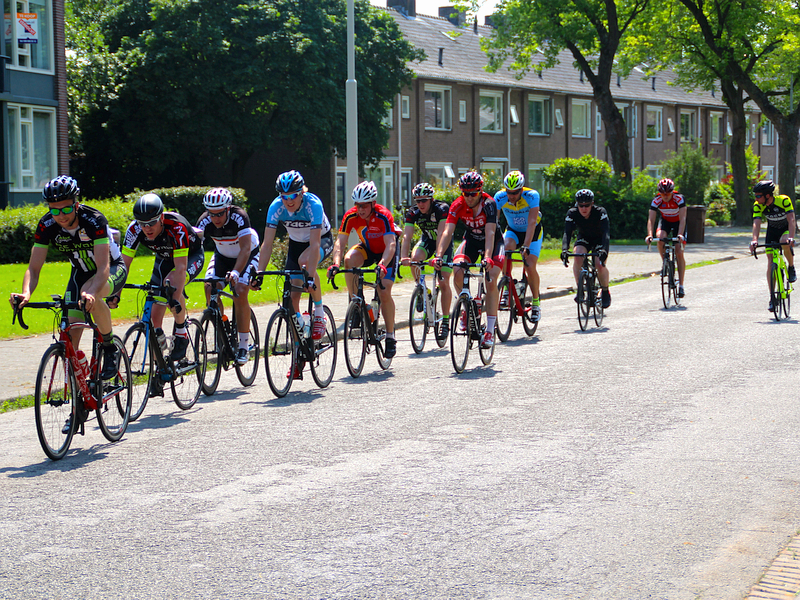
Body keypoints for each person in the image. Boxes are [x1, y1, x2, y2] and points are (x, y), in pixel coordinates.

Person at [9, 176, 127, 385]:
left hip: (110, 269)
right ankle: (79, 401)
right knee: (70, 338)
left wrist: (91, 292)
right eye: (54, 210)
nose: (60, 216)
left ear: (76, 204)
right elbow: (34, 268)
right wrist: (26, 293)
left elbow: (103, 267)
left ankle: (109, 348)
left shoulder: (93, 220)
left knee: (91, 294)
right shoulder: (46, 225)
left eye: (65, 209)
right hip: (79, 273)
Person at [257, 170, 334, 378]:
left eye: (292, 196)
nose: (288, 201)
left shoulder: (313, 205)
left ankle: (318, 313)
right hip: (296, 245)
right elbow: (267, 245)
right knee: (291, 300)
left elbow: (316, 242)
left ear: (302, 192)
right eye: (284, 196)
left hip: (321, 241)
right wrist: (259, 272)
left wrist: (310, 275)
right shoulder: (276, 207)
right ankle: (300, 348)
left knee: (305, 263)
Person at [116, 193, 204, 365]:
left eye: (151, 223)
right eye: (142, 224)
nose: (147, 228)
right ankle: (159, 369)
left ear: (161, 218)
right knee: (154, 320)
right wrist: (116, 293)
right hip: (164, 258)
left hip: (190, 257)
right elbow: (123, 266)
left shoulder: (176, 227)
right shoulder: (134, 230)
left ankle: (181, 334)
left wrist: (174, 298)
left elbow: (180, 268)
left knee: (171, 285)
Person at [327, 181, 400, 359]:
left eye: (364, 206)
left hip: (386, 252)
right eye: (358, 205)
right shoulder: (351, 216)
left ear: (373, 204)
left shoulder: (383, 215)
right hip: (367, 248)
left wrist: (382, 264)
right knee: (348, 260)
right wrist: (335, 263)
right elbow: (340, 242)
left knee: (383, 291)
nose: (360, 209)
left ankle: (390, 336)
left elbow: (390, 244)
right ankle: (356, 304)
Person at [432, 171, 503, 349]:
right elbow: (447, 232)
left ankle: (490, 330)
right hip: (471, 240)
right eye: (465, 193)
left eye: (473, 193)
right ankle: (467, 307)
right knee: (457, 270)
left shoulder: (489, 204)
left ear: (480, 191)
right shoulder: (457, 205)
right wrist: (439, 255)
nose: (469, 197)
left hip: (493, 242)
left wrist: (487, 257)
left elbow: (490, 233)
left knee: (491, 279)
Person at [196, 188, 260, 365]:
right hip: (222, 256)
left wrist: (236, 272)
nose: (215, 218)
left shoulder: (239, 216)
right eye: (211, 214)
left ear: (228, 209)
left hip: (247, 254)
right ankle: (222, 327)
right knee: (210, 287)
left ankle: (243, 346)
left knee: (239, 290)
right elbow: (193, 249)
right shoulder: (204, 221)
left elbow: (246, 249)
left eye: (219, 214)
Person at [400, 182, 454, 339]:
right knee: (415, 258)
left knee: (443, 282)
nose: (421, 204)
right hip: (428, 240)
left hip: (443, 243)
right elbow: (407, 236)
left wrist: (438, 256)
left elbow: (444, 233)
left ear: (431, 199)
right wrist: (404, 257)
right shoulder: (413, 212)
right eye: (418, 200)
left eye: (424, 200)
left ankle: (445, 321)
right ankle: (421, 290)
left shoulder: (442, 209)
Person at [494, 170, 543, 322]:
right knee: (505, 249)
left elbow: (532, 222)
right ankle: (508, 286)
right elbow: (494, 224)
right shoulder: (499, 197)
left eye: (515, 192)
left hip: (532, 232)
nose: (511, 196)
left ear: (521, 189)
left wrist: (526, 246)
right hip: (513, 230)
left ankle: (535, 303)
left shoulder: (532, 196)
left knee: (529, 265)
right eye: (509, 192)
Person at [749, 179, 797, 311]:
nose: (756, 198)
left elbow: (791, 219)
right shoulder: (758, 205)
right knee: (770, 260)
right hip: (772, 231)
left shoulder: (784, 200)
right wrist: (754, 240)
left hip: (786, 229)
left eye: (758, 195)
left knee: (785, 241)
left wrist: (792, 237)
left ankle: (791, 267)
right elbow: (756, 223)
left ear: (768, 195)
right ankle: (772, 297)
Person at [561, 189, 612, 308]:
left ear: (592, 204)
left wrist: (604, 250)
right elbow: (567, 233)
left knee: (599, 264)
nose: (584, 208)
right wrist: (564, 250)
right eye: (581, 205)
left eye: (587, 205)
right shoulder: (572, 213)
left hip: (599, 239)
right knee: (578, 256)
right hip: (584, 238)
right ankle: (580, 289)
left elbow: (606, 233)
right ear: (576, 204)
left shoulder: (600, 212)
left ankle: (605, 291)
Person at [645, 178, 687, 298]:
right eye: (663, 193)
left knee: (679, 251)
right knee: (660, 238)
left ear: (672, 192)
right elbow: (651, 219)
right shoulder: (656, 200)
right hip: (666, 221)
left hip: (679, 222)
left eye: (668, 193)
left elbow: (683, 218)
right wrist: (649, 234)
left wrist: (680, 234)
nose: (665, 196)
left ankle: (681, 285)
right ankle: (665, 261)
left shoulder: (679, 199)